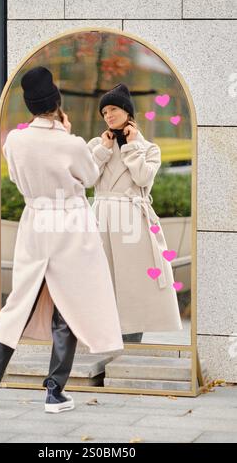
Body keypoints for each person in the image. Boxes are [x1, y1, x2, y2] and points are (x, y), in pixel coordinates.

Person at [0, 67, 124, 414]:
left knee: (18, 303)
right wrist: (76, 140)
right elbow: (90, 175)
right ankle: (54, 391)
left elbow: (18, 179)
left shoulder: (15, 142)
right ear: (57, 103)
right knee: (67, 307)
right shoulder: (72, 144)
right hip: (70, 226)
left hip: (35, 223)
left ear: (31, 107)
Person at [87, 83, 183, 342]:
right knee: (101, 281)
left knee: (133, 284)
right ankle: (103, 342)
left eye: (113, 109)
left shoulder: (149, 148)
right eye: (104, 111)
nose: (108, 115)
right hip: (103, 218)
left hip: (132, 219)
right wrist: (104, 151)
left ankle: (131, 343)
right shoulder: (97, 144)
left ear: (128, 112)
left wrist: (129, 147)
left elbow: (142, 179)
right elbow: (86, 179)